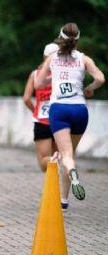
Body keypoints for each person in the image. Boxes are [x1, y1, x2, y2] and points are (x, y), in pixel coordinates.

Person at [35, 23, 105, 208]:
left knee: (66, 156)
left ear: (60, 38)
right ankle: (64, 201)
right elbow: (100, 78)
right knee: (70, 153)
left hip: (59, 110)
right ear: (77, 39)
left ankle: (71, 175)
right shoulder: (84, 59)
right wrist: (89, 88)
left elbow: (38, 84)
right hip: (79, 110)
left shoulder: (52, 59)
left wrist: (54, 77)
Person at [23, 43, 59, 172]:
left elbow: (26, 98)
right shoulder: (65, 73)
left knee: (44, 161)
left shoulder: (35, 74)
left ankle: (60, 161)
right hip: (61, 118)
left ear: (44, 57)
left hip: (42, 120)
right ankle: (64, 160)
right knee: (57, 158)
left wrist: (35, 111)